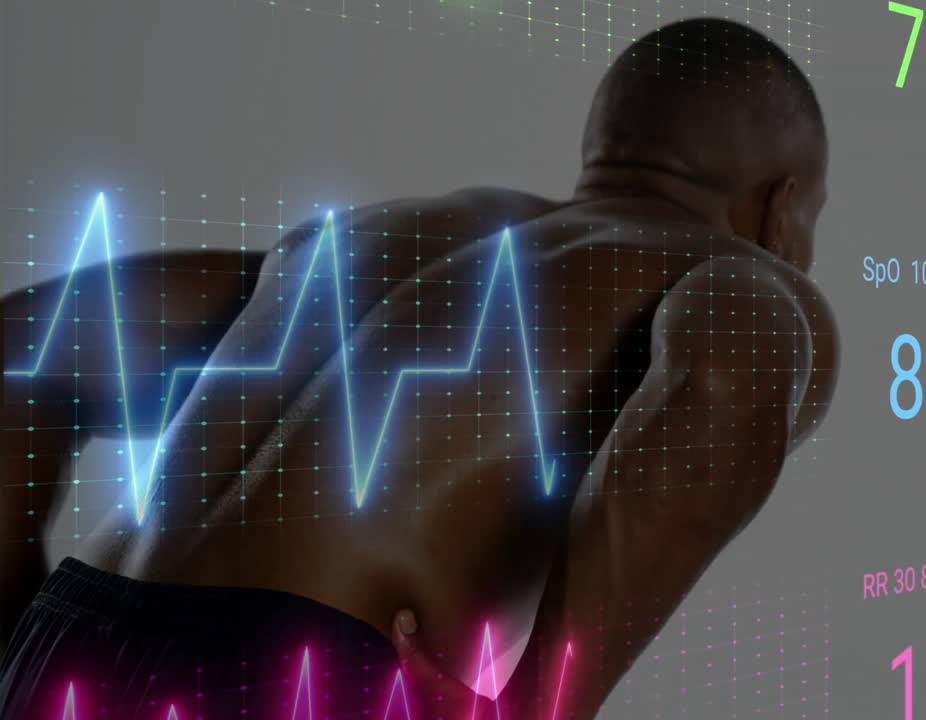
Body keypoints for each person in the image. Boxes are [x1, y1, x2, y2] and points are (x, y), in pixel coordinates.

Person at [0, 17, 837, 719]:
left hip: (65, 641)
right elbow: (727, 376)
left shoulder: (349, 243)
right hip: (302, 673)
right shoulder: (737, 273)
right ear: (785, 205)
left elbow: (21, 346)